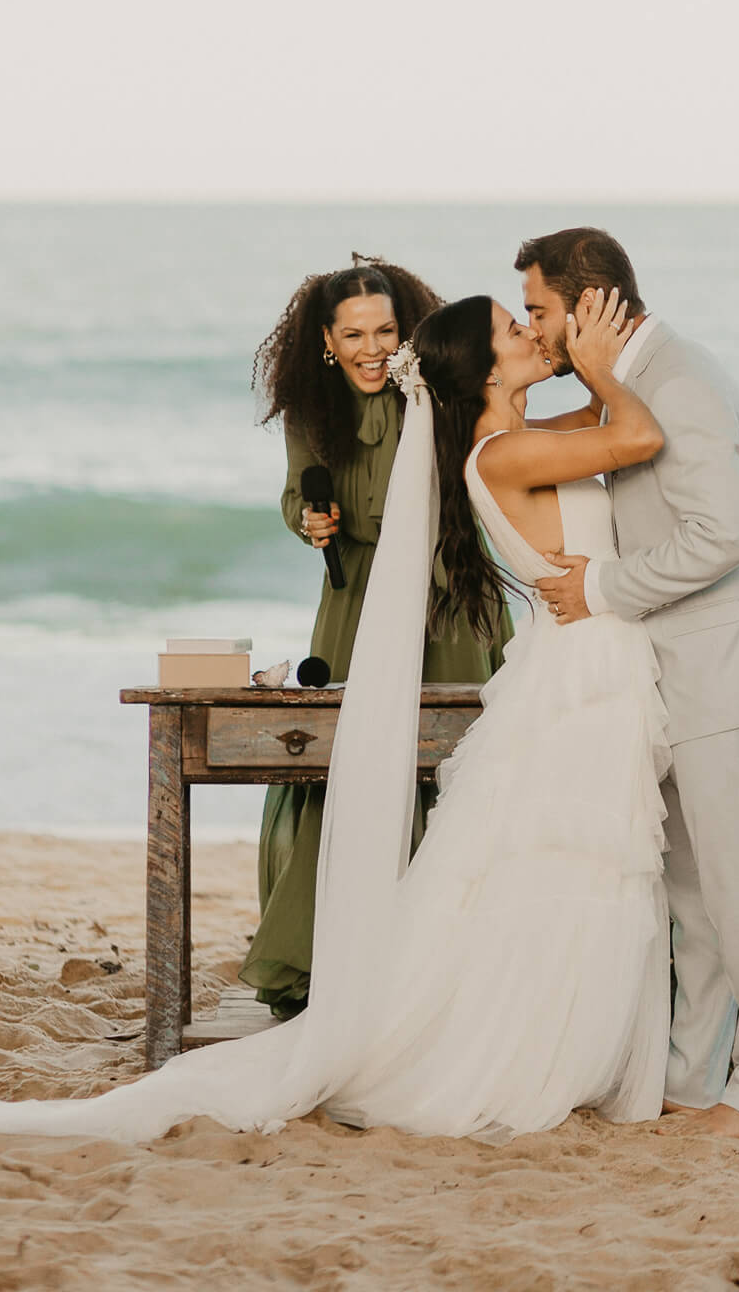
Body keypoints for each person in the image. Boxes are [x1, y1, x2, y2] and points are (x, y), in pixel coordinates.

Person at [0, 288, 672, 1141]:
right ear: (481, 368)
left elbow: (606, 420)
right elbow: (639, 435)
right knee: (572, 858)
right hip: (582, 672)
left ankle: (563, 1035)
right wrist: (602, 367)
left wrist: (595, 364)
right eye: (511, 327)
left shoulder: (525, 438)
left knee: (572, 863)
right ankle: (535, 1048)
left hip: (588, 664)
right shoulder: (500, 456)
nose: (531, 332)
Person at [519, 226, 739, 1139]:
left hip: (732, 672)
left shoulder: (680, 383)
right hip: (686, 681)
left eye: (541, 311)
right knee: (694, 899)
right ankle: (695, 1082)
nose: (535, 331)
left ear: (591, 307)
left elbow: (722, 536)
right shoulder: (641, 383)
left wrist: (601, 590)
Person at [242, 256, 511, 1019]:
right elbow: (298, 490)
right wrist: (308, 519)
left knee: (454, 764)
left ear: (407, 334)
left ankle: (447, 959)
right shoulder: (310, 408)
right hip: (354, 599)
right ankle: (321, 959)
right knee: (346, 766)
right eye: (353, 333)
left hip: (449, 597)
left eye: (385, 331)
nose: (369, 347)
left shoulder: (439, 392)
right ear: (327, 340)